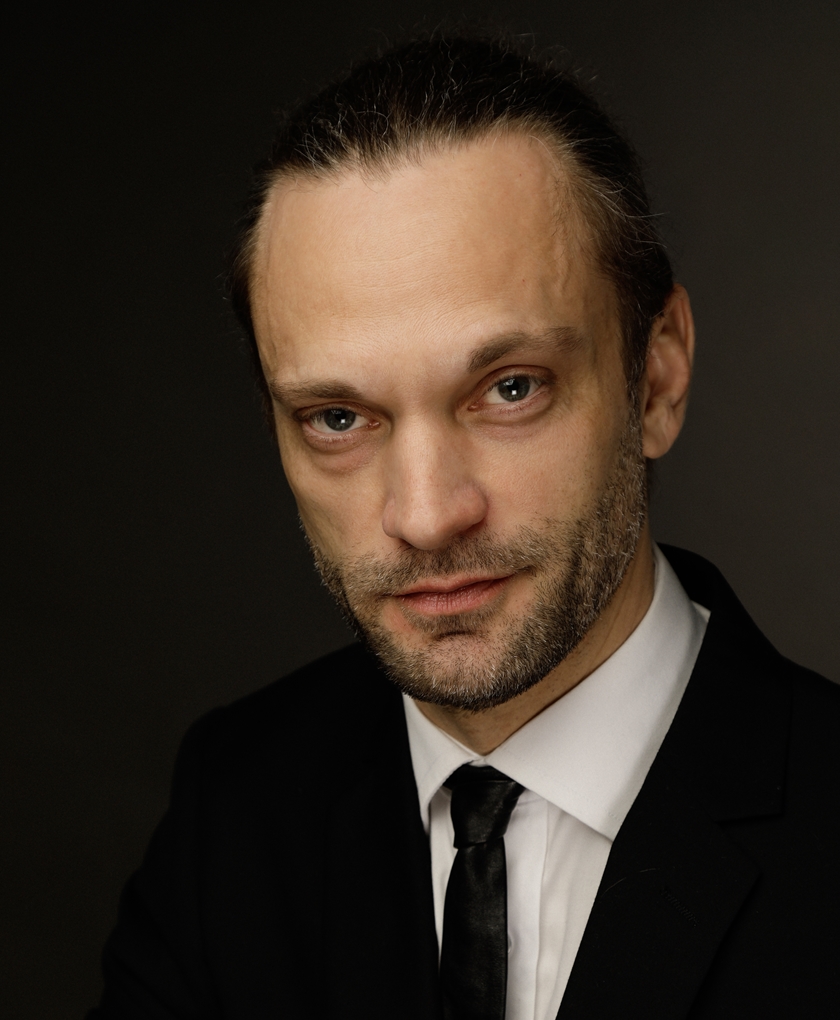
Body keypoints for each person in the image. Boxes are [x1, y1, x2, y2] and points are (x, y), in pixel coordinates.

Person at [89, 31, 839, 1020]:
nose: (426, 516)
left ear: (656, 377)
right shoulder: (237, 808)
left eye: (510, 389)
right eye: (338, 417)